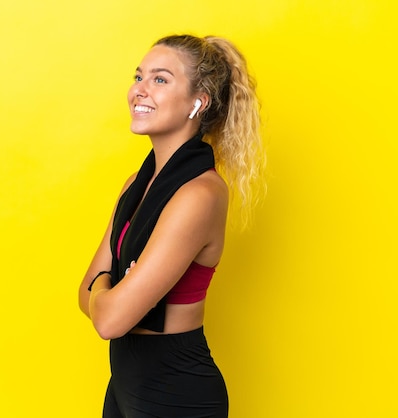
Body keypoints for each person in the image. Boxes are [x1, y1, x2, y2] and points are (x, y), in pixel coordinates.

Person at [78, 34, 265, 418]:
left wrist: (110, 284)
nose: (139, 90)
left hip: (175, 392)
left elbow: (110, 319)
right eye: (138, 76)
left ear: (198, 102)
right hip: (125, 383)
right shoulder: (135, 184)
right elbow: (86, 294)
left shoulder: (201, 194)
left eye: (160, 79)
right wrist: (110, 288)